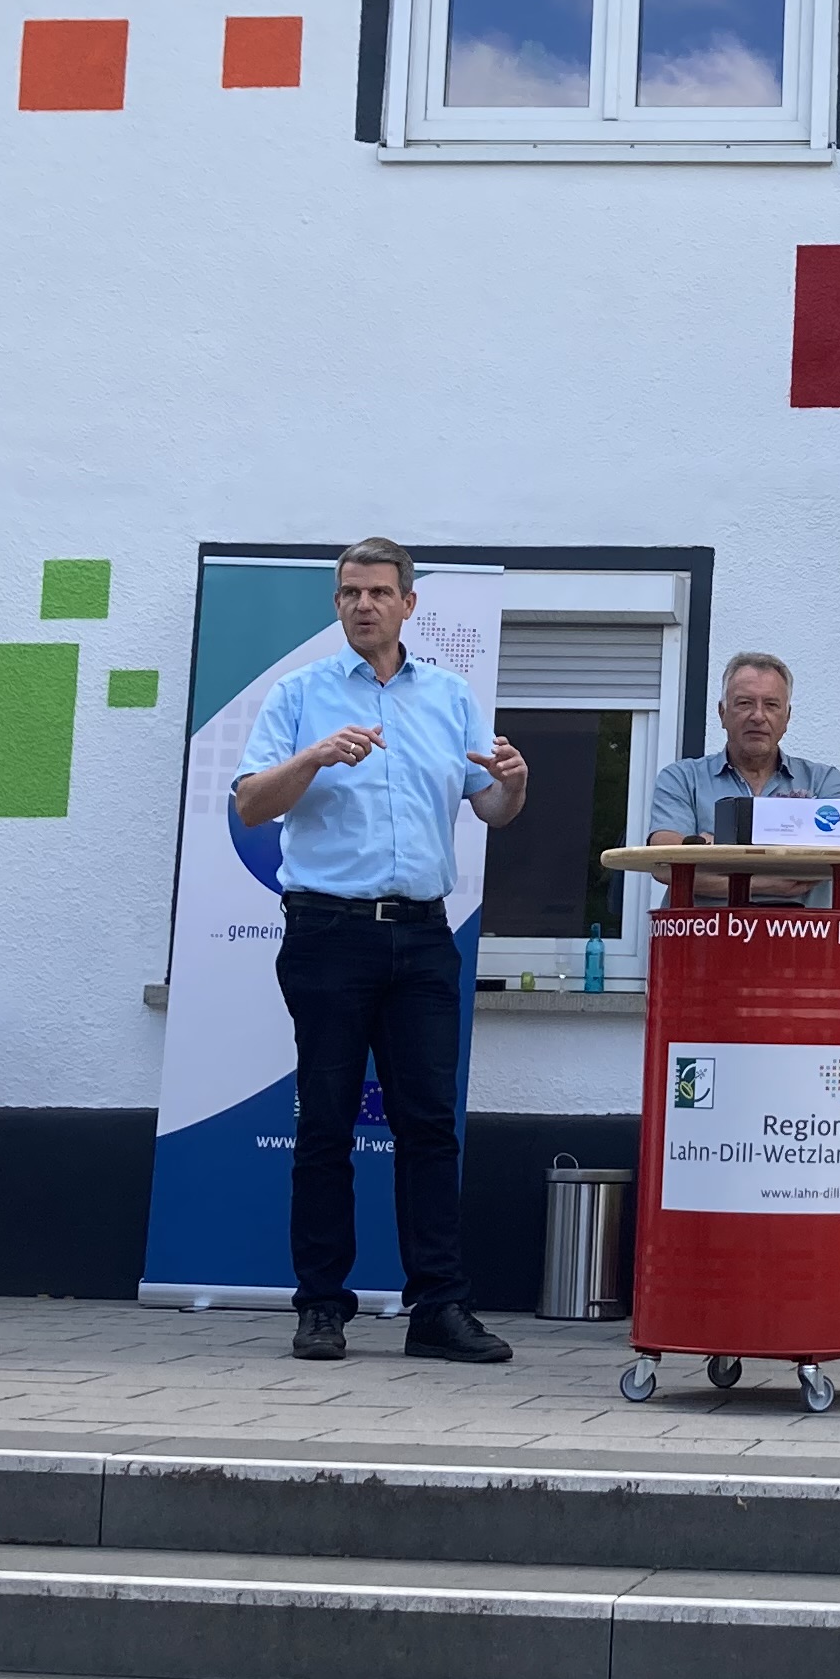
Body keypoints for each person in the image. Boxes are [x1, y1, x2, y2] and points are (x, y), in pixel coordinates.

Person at [233, 541, 528, 1368]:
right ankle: (322, 1307)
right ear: (337, 604)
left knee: (429, 1126)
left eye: (379, 592)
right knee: (325, 1125)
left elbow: (495, 809)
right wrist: (314, 756)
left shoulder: (449, 696)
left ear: (409, 605)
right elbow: (252, 804)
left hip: (424, 937)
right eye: (350, 593)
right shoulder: (299, 695)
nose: (363, 605)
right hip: (328, 933)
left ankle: (437, 1307)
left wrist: (517, 779)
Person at [645, 652, 840, 840]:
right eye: (745, 703)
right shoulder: (683, 779)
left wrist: (714, 846)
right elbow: (667, 860)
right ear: (722, 713)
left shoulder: (823, 782)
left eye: (771, 705)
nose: (758, 716)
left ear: (787, 718)